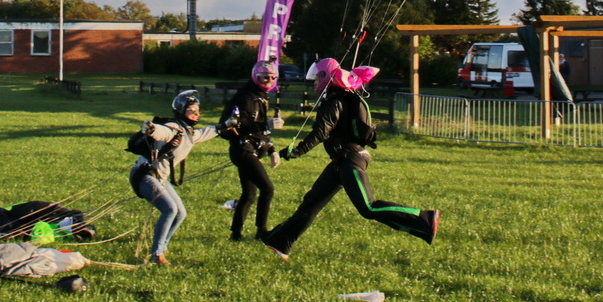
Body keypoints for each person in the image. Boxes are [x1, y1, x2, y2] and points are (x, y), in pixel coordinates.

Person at [261, 58, 438, 259]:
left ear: (326, 78)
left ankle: (424, 218)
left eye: (316, 78)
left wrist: (297, 151)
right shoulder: (339, 98)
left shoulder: (334, 103)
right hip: (340, 161)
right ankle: (279, 242)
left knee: (368, 207)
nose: (314, 82)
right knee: (310, 203)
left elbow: (320, 133)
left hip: (350, 161)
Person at [130, 90, 227, 265]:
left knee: (180, 213)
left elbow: (204, 133)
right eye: (192, 111)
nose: (197, 114)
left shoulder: (188, 132)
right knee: (169, 210)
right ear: (181, 111)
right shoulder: (174, 127)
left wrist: (225, 125)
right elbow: (163, 132)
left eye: (198, 111)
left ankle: (163, 245)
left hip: (159, 178)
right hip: (144, 175)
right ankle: (157, 254)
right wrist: (151, 129)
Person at [219, 60, 283, 241]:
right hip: (242, 149)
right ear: (256, 77)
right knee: (267, 189)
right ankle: (261, 231)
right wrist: (265, 125)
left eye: (273, 78)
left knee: (249, 194)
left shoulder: (260, 97)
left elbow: (261, 131)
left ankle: (235, 233)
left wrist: (272, 150)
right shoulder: (244, 98)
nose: (269, 81)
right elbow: (236, 124)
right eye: (265, 77)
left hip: (252, 149)